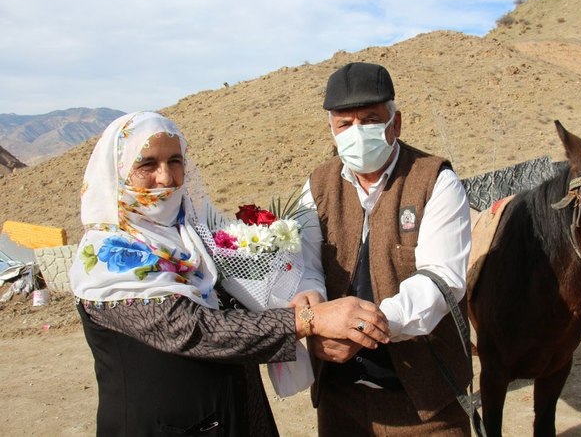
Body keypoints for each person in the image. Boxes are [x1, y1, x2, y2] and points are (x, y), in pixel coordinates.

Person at [69, 111, 390, 436]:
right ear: (117, 174)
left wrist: (298, 293)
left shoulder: (194, 237)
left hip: (234, 415)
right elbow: (191, 329)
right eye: (147, 164)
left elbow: (240, 296)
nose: (166, 178)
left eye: (175, 161)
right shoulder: (108, 257)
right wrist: (309, 321)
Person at [297, 62, 473, 435]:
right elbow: (304, 263)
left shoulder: (435, 181)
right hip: (340, 398)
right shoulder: (318, 185)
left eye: (371, 119)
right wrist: (315, 311)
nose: (356, 132)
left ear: (395, 123)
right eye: (345, 123)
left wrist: (359, 329)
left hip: (425, 407)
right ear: (332, 128)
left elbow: (441, 280)